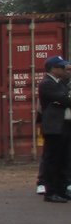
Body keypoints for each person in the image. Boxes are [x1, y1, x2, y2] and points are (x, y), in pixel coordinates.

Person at [37, 55, 70, 203]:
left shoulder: (60, 83)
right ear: (53, 69)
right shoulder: (47, 84)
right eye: (62, 67)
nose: (65, 69)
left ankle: (62, 190)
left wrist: (63, 100)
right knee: (53, 160)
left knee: (64, 160)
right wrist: (63, 99)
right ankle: (50, 192)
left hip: (64, 126)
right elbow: (65, 100)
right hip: (54, 128)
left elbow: (64, 100)